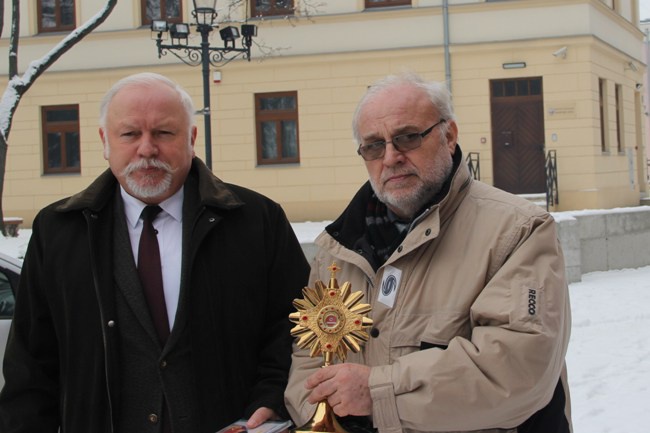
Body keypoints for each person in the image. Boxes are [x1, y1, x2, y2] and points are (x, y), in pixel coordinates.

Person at [0, 72, 310, 433]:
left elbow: (294, 327)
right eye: (130, 134)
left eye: (163, 133)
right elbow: (31, 369)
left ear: (191, 138)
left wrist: (271, 398)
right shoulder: (59, 233)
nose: (147, 149)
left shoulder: (256, 222)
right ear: (105, 140)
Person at [284, 72, 572, 433]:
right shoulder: (337, 251)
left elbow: (514, 372)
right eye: (373, 145)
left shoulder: (517, 229)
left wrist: (376, 394)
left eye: (407, 138)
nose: (390, 157)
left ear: (449, 135)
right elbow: (308, 363)